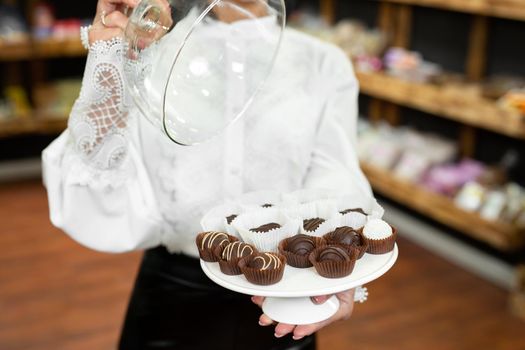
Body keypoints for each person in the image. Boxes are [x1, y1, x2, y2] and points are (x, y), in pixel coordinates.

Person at [42, 0, 373, 349]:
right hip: (174, 290)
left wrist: (338, 270)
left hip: (289, 292)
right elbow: (96, 164)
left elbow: (334, 178)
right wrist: (111, 55)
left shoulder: (322, 63)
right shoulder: (153, 48)